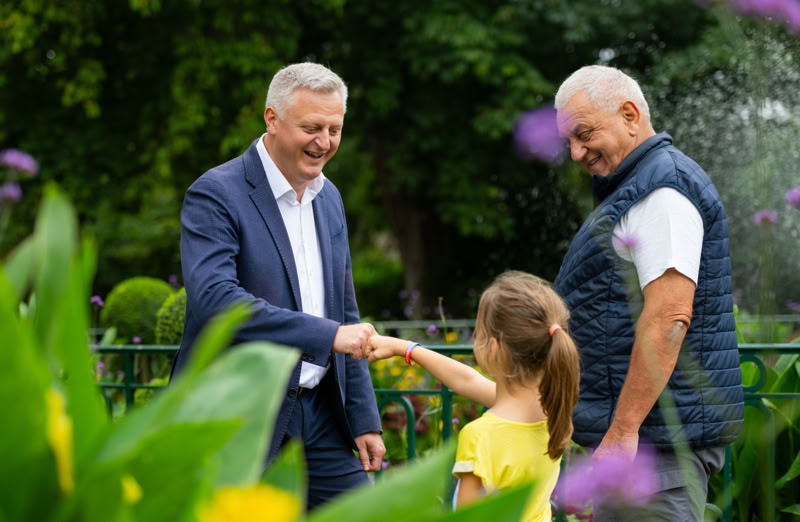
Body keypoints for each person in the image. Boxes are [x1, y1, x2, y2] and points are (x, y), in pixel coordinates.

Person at [170, 62, 384, 509]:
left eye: (334, 128)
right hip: (240, 415)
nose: (324, 142)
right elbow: (216, 301)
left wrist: (364, 417)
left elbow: (345, 308)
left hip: (323, 415)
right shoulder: (215, 193)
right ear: (271, 118)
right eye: (311, 127)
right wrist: (328, 336)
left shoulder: (330, 198)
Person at [552, 65, 744, 521]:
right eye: (568, 143)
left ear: (630, 114)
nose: (576, 153)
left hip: (657, 452)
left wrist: (622, 432)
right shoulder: (637, 185)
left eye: (584, 134)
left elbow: (670, 317)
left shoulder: (664, 190)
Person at [365, 271, 580, 522]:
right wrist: (405, 348)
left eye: (478, 333)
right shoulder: (552, 411)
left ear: (494, 347)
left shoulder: (481, 436)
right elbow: (469, 381)